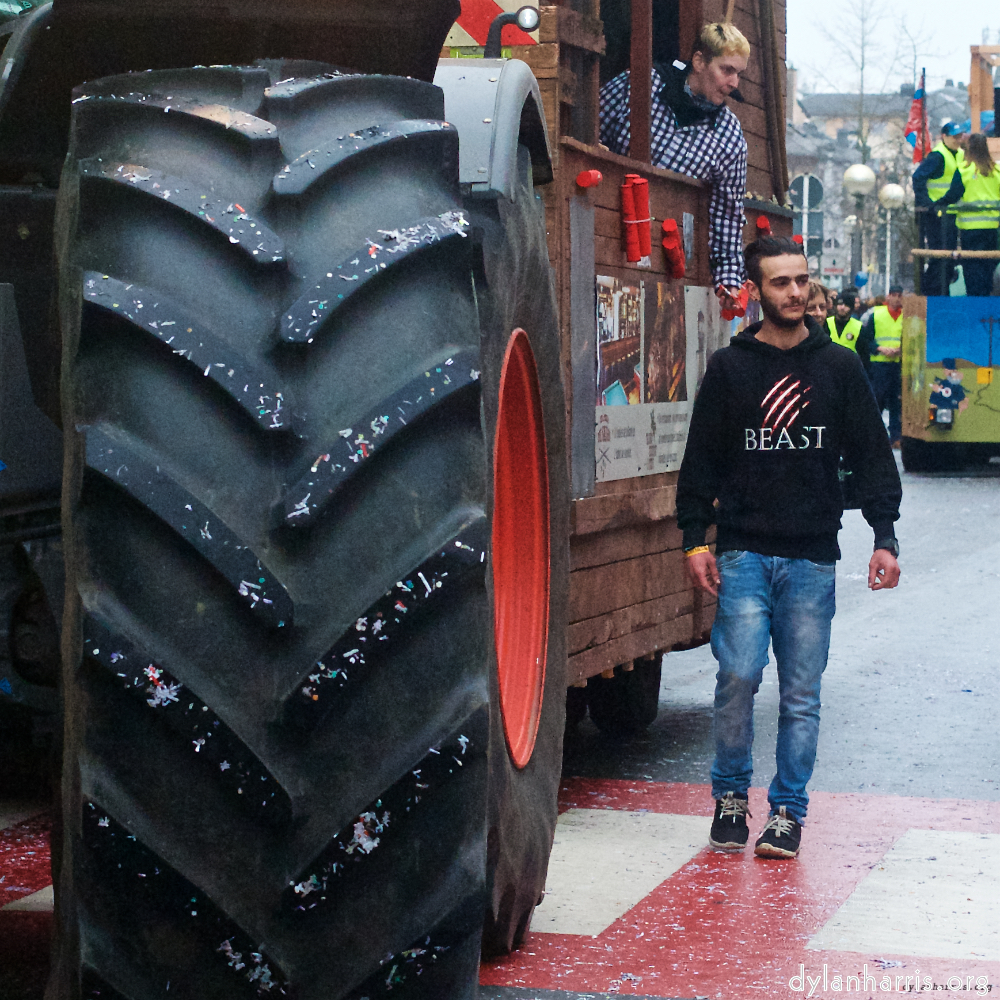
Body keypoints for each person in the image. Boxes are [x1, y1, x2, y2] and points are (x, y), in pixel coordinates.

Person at [676, 236, 901, 859]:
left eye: (802, 280)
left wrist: (885, 537)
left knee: (802, 694)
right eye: (781, 283)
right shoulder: (730, 368)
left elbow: (874, 461)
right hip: (743, 552)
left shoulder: (839, 368)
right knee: (739, 675)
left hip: (811, 559)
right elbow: (700, 462)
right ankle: (729, 796)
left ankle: (786, 813)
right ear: (756, 292)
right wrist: (696, 539)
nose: (797, 292)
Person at [600, 22, 750, 311]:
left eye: (739, 74)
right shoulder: (639, 85)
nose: (734, 83)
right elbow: (592, 132)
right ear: (699, 61)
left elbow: (727, 217)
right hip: (609, 233)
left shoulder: (730, 135)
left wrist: (729, 280)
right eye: (727, 70)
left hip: (668, 260)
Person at [938, 133, 1000, 297]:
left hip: (970, 231)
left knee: (972, 272)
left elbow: (953, 195)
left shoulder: (964, 170)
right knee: (988, 271)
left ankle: (975, 307)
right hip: (991, 230)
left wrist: (937, 205)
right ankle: (986, 308)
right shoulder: (997, 171)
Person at [913, 122, 966, 295]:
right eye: (955, 137)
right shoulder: (937, 156)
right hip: (937, 215)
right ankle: (932, 292)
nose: (958, 140)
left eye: (960, 136)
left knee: (948, 257)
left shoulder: (959, 154)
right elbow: (918, 178)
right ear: (944, 137)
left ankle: (940, 291)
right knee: (940, 256)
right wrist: (928, 204)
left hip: (951, 213)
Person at [861, 284, 903, 444]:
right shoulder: (876, 314)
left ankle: (896, 437)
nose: (897, 298)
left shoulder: (905, 315)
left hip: (898, 364)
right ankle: (875, 436)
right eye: (895, 294)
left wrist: (901, 349)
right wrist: (879, 348)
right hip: (879, 365)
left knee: (895, 402)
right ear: (888, 296)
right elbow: (867, 338)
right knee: (877, 400)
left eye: (900, 295)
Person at [825, 288, 862, 353]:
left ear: (851, 308)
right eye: (840, 304)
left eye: (846, 305)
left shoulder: (859, 327)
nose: (842, 307)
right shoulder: (826, 323)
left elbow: (863, 353)